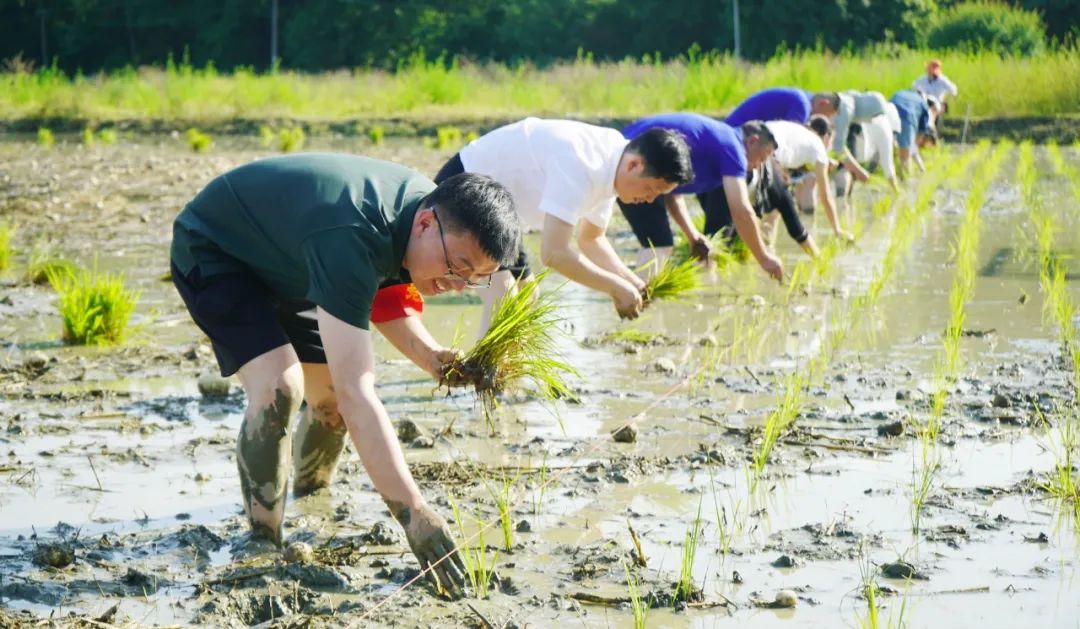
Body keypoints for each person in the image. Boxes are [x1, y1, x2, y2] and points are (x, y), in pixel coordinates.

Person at [170, 153, 523, 594]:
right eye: (458, 267)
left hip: (293, 264)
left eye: (475, 278)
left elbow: (382, 296)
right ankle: (262, 540)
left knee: (330, 397)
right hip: (217, 251)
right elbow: (362, 393)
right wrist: (414, 513)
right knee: (281, 384)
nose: (457, 284)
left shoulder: (420, 215)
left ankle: (311, 501)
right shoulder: (353, 234)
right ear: (427, 224)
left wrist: (432, 357)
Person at [432, 117, 694, 330]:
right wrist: (614, 288)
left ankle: (509, 378)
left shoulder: (614, 160)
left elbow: (591, 239)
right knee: (504, 298)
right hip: (467, 186)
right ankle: (482, 384)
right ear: (635, 164)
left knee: (527, 295)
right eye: (651, 189)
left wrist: (631, 282)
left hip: (504, 215)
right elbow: (554, 254)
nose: (650, 200)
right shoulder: (583, 163)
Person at [616, 114, 782, 280]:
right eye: (762, 157)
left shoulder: (720, 140)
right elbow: (741, 211)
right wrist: (764, 258)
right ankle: (635, 300)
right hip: (634, 162)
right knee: (659, 245)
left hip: (624, 156)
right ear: (752, 141)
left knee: (657, 243)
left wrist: (692, 236)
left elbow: (671, 193)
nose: (758, 166)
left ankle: (632, 296)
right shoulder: (733, 148)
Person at [757, 116, 851, 255]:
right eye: (830, 142)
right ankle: (768, 251)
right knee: (779, 208)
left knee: (768, 210)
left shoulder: (798, 130)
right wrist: (837, 229)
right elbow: (826, 196)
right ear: (826, 137)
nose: (828, 147)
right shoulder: (818, 146)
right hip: (769, 154)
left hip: (753, 140)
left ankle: (761, 247)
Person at [833, 103, 901, 204]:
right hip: (856, 125)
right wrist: (896, 191)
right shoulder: (885, 131)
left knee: (846, 163)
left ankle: (843, 199)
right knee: (849, 164)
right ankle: (842, 201)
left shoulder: (883, 118)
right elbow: (888, 164)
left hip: (847, 118)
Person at [830, 90, 892, 185]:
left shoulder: (850, 102)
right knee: (842, 169)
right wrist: (860, 172)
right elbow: (838, 149)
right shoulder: (845, 111)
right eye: (873, 116)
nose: (870, 121)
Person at [724, 87, 840, 127]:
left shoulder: (804, 97)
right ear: (823, 103)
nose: (821, 120)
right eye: (825, 116)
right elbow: (790, 139)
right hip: (737, 130)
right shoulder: (802, 106)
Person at [890, 89, 940, 177]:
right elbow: (922, 129)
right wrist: (913, 145)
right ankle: (905, 178)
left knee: (888, 147)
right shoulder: (922, 103)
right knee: (905, 154)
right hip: (906, 117)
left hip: (889, 113)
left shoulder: (900, 93)